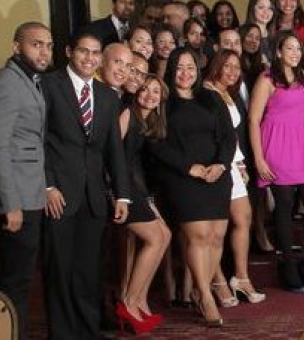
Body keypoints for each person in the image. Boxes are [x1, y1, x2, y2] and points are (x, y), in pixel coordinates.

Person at [41, 33, 131, 338]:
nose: (89, 58)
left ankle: (88, 331)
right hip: (58, 196)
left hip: (93, 198)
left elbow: (113, 149)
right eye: (83, 51)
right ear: (69, 52)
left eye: (95, 53)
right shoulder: (49, 86)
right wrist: (47, 186)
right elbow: (36, 140)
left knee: (89, 271)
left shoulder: (106, 96)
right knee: (60, 271)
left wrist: (123, 195)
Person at [149, 47, 235, 326]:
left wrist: (221, 165)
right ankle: (206, 296)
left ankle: (200, 289)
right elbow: (156, 143)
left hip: (217, 175)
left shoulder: (211, 98)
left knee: (216, 237)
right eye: (179, 68)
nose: (185, 73)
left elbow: (228, 136)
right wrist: (189, 167)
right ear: (171, 70)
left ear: (197, 71)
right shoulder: (163, 102)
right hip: (183, 178)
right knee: (198, 237)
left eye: (190, 67)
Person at [250, 32, 304, 291]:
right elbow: (253, 120)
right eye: (289, 48)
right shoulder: (266, 79)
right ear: (279, 51)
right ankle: (289, 267)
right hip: (276, 146)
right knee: (284, 206)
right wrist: (259, 158)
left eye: (298, 48)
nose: (295, 52)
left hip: (302, 145)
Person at [0, 22, 52, 340]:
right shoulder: (9, 82)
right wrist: (11, 204)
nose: (44, 51)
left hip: (31, 194)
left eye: (48, 45)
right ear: (17, 47)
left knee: (20, 281)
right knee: (13, 282)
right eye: (36, 44)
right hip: (17, 199)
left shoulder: (31, 81)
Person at [203, 50, 267, 303]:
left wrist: (240, 163)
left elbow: (232, 134)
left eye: (236, 67)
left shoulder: (227, 93)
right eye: (227, 66)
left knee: (244, 218)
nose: (232, 71)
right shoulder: (206, 92)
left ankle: (241, 276)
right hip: (215, 164)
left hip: (232, 163)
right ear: (216, 65)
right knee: (216, 229)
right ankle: (217, 280)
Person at [116, 75, 173, 334]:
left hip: (136, 189)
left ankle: (139, 300)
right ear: (137, 91)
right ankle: (128, 302)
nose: (150, 95)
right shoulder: (128, 113)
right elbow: (112, 153)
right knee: (153, 238)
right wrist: (120, 194)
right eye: (146, 89)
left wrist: (147, 198)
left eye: (156, 92)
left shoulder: (149, 122)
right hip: (121, 190)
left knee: (165, 234)